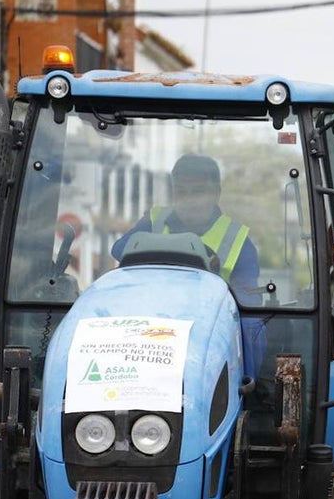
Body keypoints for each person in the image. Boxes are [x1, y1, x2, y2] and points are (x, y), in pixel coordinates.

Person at [111, 154, 264, 377]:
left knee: (252, 325)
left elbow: (248, 303)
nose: (189, 200)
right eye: (181, 192)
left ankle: (250, 386)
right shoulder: (154, 220)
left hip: (209, 327)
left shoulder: (238, 240)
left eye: (198, 192)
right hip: (149, 321)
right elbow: (120, 250)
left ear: (216, 193)